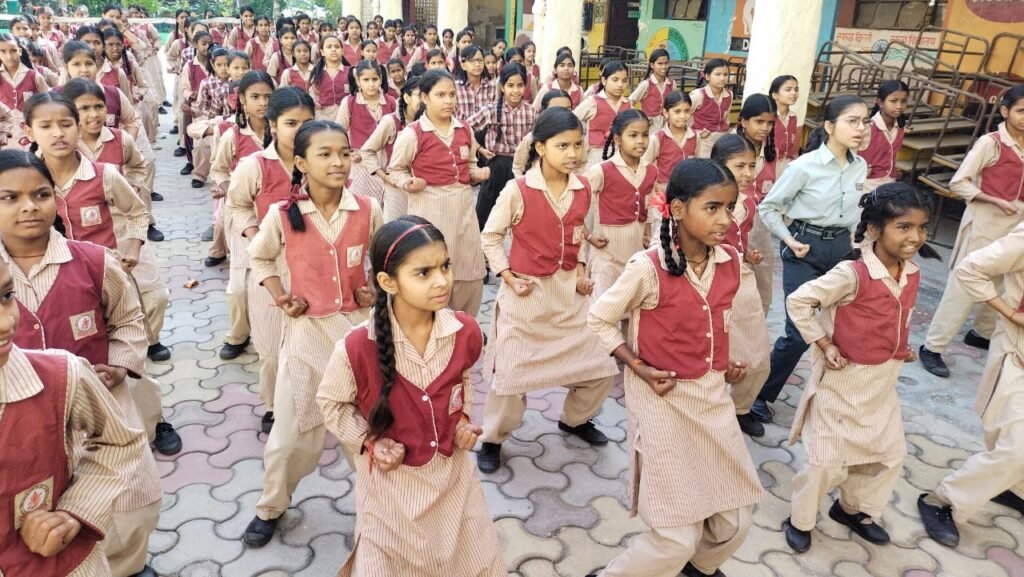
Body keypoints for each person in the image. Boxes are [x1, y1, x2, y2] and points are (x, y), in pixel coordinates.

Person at [587, 158, 763, 577]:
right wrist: (637, 366)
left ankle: (696, 568)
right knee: (676, 536)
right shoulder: (648, 268)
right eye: (712, 208)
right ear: (679, 209)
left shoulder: (730, 261)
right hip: (662, 402)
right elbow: (599, 319)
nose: (725, 219)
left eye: (730, 208)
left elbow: (716, 321)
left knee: (735, 523)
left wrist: (723, 362)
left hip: (711, 400)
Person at [0, 148, 163, 577]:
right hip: (27, 424)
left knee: (131, 503)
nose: (29, 207)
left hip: (103, 405)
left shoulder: (93, 261)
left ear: (56, 198)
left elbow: (128, 319)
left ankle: (128, 565)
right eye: (9, 198)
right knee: (45, 516)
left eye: (40, 194)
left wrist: (121, 365)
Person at [317, 216, 505, 576]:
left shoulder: (464, 331)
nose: (442, 281)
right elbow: (331, 403)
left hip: (453, 481)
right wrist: (370, 441)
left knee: (472, 561)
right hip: (390, 491)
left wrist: (462, 421)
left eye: (445, 266)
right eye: (424, 273)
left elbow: (462, 382)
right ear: (388, 282)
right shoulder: (357, 347)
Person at [242, 120, 382, 547]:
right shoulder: (283, 215)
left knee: (366, 433)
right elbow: (260, 258)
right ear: (301, 163)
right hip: (306, 338)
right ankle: (271, 506)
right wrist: (280, 295)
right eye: (325, 154)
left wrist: (373, 288)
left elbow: (385, 259)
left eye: (344, 153)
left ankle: (380, 511)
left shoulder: (367, 208)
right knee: (290, 439)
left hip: (357, 339)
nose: (338, 162)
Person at [782, 184, 937, 553]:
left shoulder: (911, 272)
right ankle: (800, 519)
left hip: (882, 382)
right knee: (825, 462)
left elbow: (898, 316)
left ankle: (851, 509)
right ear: (874, 229)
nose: (915, 237)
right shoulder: (852, 273)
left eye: (922, 228)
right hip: (843, 382)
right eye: (904, 227)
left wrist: (900, 347)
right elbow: (799, 301)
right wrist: (824, 344)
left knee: (887, 455)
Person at [477, 107, 618, 473]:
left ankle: (574, 420)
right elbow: (490, 237)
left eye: (578, 145)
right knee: (510, 379)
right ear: (540, 147)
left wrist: (582, 270)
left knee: (601, 368)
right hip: (526, 297)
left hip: (570, 297)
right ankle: (492, 439)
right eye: (562, 146)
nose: (573, 153)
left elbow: (578, 234)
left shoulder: (583, 188)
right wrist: (508, 276)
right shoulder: (518, 190)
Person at [0, 253, 148, 577]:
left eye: (7, 296)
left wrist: (75, 512)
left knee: (137, 513)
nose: (6, 323)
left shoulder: (91, 262)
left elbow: (120, 442)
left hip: (66, 564)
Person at [750, 95, 870, 424]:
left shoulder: (860, 166)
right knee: (800, 330)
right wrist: (788, 239)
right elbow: (768, 207)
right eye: (852, 121)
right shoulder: (804, 166)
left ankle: (831, 396)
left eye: (864, 121)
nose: (861, 128)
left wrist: (857, 244)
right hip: (804, 247)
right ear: (830, 126)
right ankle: (760, 394)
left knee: (841, 326)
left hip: (840, 250)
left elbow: (854, 211)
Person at [918, 219, 1024, 549]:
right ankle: (942, 499)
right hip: (1018, 354)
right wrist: (1010, 313)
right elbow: (971, 268)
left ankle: (1014, 488)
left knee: (1013, 447)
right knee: (1016, 447)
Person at [919, 85, 1024, 378]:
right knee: (965, 284)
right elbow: (959, 182)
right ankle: (933, 346)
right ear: (1005, 111)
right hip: (986, 219)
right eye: (1021, 111)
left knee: (1005, 280)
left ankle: (981, 333)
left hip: (1016, 223)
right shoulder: (991, 143)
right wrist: (993, 200)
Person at [387, 70, 490, 316]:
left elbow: (470, 164)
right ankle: (430, 320)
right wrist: (407, 182)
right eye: (440, 95)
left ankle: (464, 322)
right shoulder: (413, 134)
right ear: (425, 97)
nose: (448, 101)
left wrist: (477, 173)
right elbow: (395, 169)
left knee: (467, 267)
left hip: (463, 210)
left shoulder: (464, 129)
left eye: (452, 95)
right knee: (432, 263)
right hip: (430, 208)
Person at [711, 134, 771, 438]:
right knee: (715, 350)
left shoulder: (749, 200)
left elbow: (738, 239)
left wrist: (747, 254)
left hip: (740, 274)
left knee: (757, 353)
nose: (748, 173)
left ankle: (741, 408)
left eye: (751, 165)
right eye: (739, 166)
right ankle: (712, 409)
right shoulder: (704, 200)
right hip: (709, 275)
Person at [585, 109, 655, 302]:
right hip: (607, 256)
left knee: (631, 306)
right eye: (633, 135)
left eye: (645, 135)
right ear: (617, 139)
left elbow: (648, 204)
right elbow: (575, 203)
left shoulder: (650, 170)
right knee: (602, 305)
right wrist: (588, 236)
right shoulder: (601, 171)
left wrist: (648, 232)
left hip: (636, 253)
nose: (640, 141)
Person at [466, 62, 535, 230]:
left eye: (520, 85)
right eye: (510, 85)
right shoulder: (490, 110)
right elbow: (465, 128)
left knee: (520, 214)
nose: (515, 90)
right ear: (502, 87)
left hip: (520, 169)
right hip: (496, 167)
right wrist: (479, 148)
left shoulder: (531, 112)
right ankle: (482, 245)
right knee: (485, 216)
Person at [734, 94, 779, 316]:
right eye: (759, 121)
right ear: (743, 121)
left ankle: (758, 320)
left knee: (761, 272)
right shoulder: (729, 146)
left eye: (770, 123)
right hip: (733, 217)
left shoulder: (770, 152)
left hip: (760, 222)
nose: (765, 128)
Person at [360, 76, 422, 222]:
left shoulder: (428, 121)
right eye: (420, 95)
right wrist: (386, 178)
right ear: (407, 98)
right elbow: (367, 151)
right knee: (397, 227)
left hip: (422, 186)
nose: (425, 100)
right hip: (397, 188)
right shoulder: (391, 121)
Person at [336, 60, 395, 206]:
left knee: (386, 206)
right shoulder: (349, 102)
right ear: (358, 81)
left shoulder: (391, 102)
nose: (371, 84)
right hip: (361, 164)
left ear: (381, 79)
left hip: (387, 162)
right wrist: (348, 152)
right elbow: (338, 133)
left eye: (375, 79)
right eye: (366, 80)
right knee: (364, 205)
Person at [574, 61, 631, 167]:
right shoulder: (593, 102)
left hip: (620, 154)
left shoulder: (628, 104)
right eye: (615, 80)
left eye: (624, 81)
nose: (620, 84)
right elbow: (572, 119)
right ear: (604, 81)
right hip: (596, 155)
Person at [642, 91, 697, 197]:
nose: (683, 116)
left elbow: (697, 165)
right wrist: (657, 186)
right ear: (666, 113)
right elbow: (643, 167)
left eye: (687, 111)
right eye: (677, 111)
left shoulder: (695, 136)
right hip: (663, 193)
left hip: (688, 192)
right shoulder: (657, 139)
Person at [0, 32, 49, 149]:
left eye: (13, 50)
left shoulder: (34, 76)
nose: (9, 56)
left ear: (20, 51)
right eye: (3, 51)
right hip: (4, 135)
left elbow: (48, 104)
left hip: (31, 134)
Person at [858, 80, 909, 192]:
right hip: (864, 184)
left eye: (903, 101)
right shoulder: (867, 128)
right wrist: (858, 170)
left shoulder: (900, 128)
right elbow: (846, 153)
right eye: (894, 101)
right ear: (880, 103)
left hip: (889, 184)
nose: (899, 106)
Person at [513, 89, 572, 177]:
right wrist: (525, 184)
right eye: (555, 109)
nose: (562, 114)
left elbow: (581, 165)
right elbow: (518, 166)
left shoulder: (576, 138)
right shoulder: (532, 138)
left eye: (567, 109)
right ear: (544, 112)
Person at [689, 58, 732, 158]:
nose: (722, 78)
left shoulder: (729, 95)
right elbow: (683, 117)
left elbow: (726, 117)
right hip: (702, 141)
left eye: (725, 74)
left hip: (720, 141)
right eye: (718, 74)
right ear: (707, 76)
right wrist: (695, 132)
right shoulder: (698, 95)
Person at [629, 49, 674, 134]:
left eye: (666, 63)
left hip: (666, 128)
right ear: (652, 65)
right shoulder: (646, 84)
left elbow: (674, 104)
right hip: (650, 128)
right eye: (660, 63)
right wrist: (640, 118)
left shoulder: (672, 84)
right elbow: (630, 102)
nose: (664, 67)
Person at [309, 35, 349, 121]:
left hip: (347, 115)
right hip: (322, 116)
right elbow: (313, 94)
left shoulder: (351, 72)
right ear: (322, 52)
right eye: (329, 47)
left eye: (337, 47)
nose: (333, 49)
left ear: (342, 51)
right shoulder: (317, 73)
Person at [454, 45, 494, 121]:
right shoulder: (455, 87)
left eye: (480, 60)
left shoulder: (491, 86)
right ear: (463, 65)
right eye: (472, 61)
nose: (477, 64)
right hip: (460, 128)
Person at [770, 74, 800, 172]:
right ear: (775, 95)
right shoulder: (768, 116)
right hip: (768, 164)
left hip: (786, 164)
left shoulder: (793, 117)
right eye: (788, 90)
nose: (794, 93)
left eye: (796, 89)